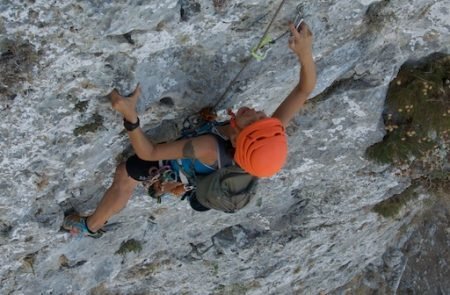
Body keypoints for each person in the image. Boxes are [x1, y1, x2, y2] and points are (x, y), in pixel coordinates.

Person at [63, 22, 316, 238]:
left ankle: (91, 226)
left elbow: (149, 152)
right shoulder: (263, 137)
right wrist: (305, 54)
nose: (257, 113)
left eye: (252, 120)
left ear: (239, 139)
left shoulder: (207, 147)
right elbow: (304, 90)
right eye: (263, 117)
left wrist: (131, 117)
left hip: (186, 171)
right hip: (212, 177)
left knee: (125, 175)